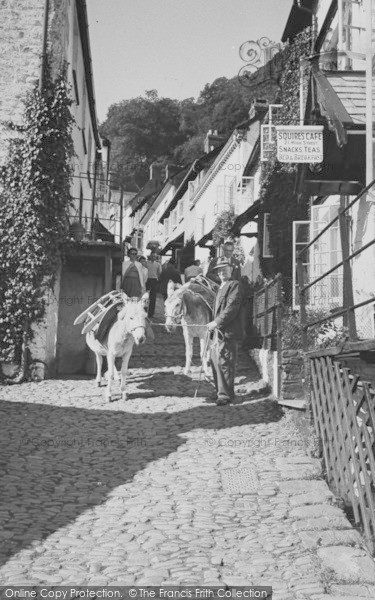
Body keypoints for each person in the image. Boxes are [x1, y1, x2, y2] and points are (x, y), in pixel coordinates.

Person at [206, 257, 242, 406]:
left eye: (224, 269)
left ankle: (226, 395)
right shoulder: (221, 287)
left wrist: (216, 322)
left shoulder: (234, 285)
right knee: (216, 362)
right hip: (218, 333)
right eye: (219, 270)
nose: (221, 272)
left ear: (231, 270)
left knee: (225, 363)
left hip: (228, 332)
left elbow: (231, 308)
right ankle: (219, 391)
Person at [146, 251, 162, 318]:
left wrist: (158, 280)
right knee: (145, 296)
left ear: (156, 257)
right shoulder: (146, 263)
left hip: (154, 280)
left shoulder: (158, 264)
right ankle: (144, 312)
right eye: (152, 256)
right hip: (147, 280)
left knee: (153, 298)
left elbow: (159, 273)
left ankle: (151, 314)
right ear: (150, 256)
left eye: (155, 256)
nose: (153, 257)